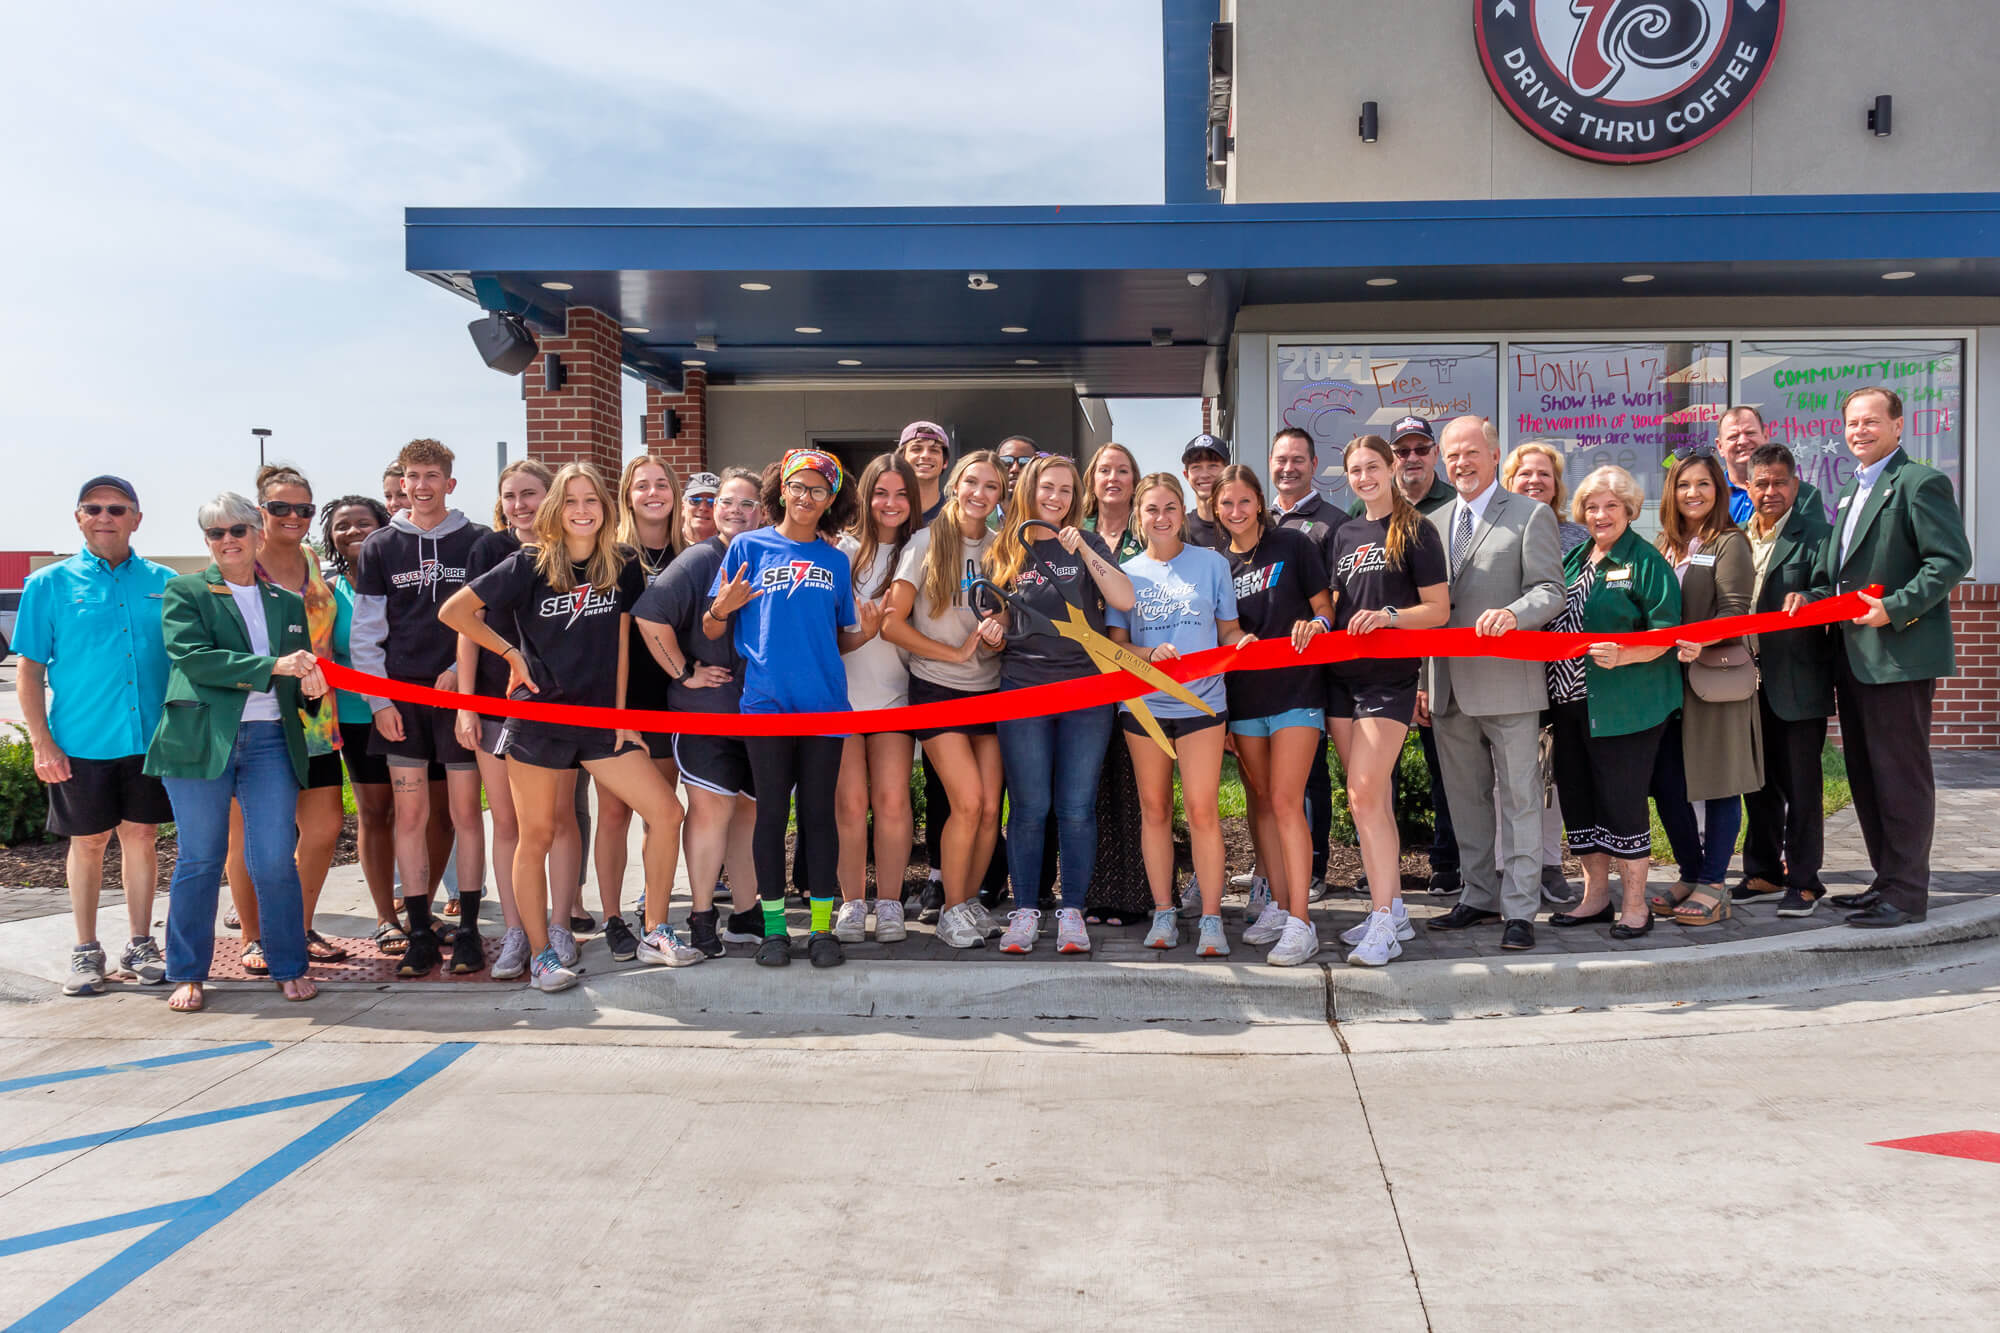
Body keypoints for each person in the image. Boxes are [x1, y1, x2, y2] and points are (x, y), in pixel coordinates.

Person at [442, 463, 692, 990]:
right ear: (557, 508)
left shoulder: (621, 563)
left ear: (606, 508)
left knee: (666, 813)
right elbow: (456, 613)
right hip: (539, 720)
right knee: (536, 834)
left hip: (600, 723)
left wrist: (622, 713)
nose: (582, 510)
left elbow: (623, 640)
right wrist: (510, 655)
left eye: (592, 501)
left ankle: (655, 931)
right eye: (571, 500)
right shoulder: (527, 562)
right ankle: (540, 955)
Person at [1793, 387, 1971, 928]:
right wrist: (1810, 597)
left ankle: (1908, 893)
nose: (1859, 432)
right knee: (1866, 774)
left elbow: (1951, 560)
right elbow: (1838, 573)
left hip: (1897, 655)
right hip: (1853, 654)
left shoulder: (1919, 482)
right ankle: (1884, 881)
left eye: (1872, 422)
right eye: (1851, 424)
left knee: (1900, 775)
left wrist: (1895, 608)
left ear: (1898, 426)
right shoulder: (1852, 490)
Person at [149, 493, 328, 1011]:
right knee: (200, 859)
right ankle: (187, 970)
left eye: (236, 531)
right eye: (214, 534)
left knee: (274, 860)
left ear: (257, 534)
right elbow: (193, 659)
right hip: (200, 741)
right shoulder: (185, 592)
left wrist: (309, 687)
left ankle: (289, 965)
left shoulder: (288, 603)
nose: (227, 541)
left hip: (272, 741)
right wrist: (276, 667)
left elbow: (294, 676)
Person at [704, 449, 882, 968]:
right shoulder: (747, 546)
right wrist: (723, 606)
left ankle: (822, 930)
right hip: (766, 705)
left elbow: (837, 640)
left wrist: (866, 634)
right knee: (770, 818)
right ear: (781, 490)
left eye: (818, 490)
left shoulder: (835, 560)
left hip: (825, 707)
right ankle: (776, 931)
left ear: (831, 499)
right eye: (797, 487)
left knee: (819, 817)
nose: (806, 498)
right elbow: (714, 627)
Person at [18, 475, 176, 995]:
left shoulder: (165, 582)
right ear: (78, 516)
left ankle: (139, 943)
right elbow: (30, 671)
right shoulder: (48, 585)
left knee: (141, 837)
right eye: (94, 508)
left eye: (117, 508)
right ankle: (86, 951)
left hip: (149, 739)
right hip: (80, 741)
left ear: (136, 517)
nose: (105, 517)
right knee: (87, 842)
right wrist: (42, 742)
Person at [348, 437, 492, 978]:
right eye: (414, 476)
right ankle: (420, 934)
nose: (424, 485)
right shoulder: (381, 546)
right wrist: (378, 699)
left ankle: (473, 931)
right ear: (402, 483)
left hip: (460, 701)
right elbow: (366, 636)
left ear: (450, 483)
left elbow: (490, 619)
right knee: (410, 813)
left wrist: (462, 676)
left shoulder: (478, 542)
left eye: (434, 475)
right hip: (401, 703)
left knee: (463, 814)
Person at [1419, 418, 1563, 953]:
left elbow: (1551, 590)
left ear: (1494, 454)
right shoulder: (1430, 524)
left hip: (1508, 681)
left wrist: (1514, 613)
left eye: (1471, 453)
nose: (1461, 463)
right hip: (1448, 683)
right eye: (1451, 455)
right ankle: (1479, 895)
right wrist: (1422, 682)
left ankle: (1520, 909)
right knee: (1465, 800)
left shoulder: (1530, 515)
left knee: (1521, 801)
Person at [986, 454, 1134, 955]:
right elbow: (1001, 623)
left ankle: (1072, 912)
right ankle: (1025, 910)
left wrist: (1087, 553)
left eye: (1067, 491)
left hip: (1086, 691)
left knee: (1075, 808)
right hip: (1023, 688)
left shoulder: (1087, 542)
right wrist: (991, 633)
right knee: (1029, 808)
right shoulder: (1004, 549)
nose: (1056, 497)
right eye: (1047, 487)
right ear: (1029, 490)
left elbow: (1124, 598)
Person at [1106, 473, 1249, 957]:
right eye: (1152, 509)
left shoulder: (1211, 565)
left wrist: (1241, 644)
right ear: (1138, 515)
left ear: (1182, 510)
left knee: (1203, 809)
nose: (1162, 517)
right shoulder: (1125, 571)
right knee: (1155, 810)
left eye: (1170, 508)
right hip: (1144, 707)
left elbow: (1227, 630)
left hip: (1203, 703)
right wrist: (1148, 654)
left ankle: (1212, 917)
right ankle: (1164, 911)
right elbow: (1117, 646)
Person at [1323, 437, 1451, 967]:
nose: (1363, 477)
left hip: (1389, 682)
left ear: (1391, 467)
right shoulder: (1343, 533)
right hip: (1340, 682)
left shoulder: (1417, 530)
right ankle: (1393, 907)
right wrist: (1318, 621)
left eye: (1372, 467)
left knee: (1362, 795)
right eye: (1354, 470)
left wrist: (1391, 617)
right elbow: (1333, 602)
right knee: (1370, 803)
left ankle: (1381, 923)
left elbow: (1439, 610)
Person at [457, 460, 587, 977]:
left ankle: (558, 925)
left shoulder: (573, 549)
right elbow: (466, 626)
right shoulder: (490, 550)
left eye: (530, 494)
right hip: (496, 704)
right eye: (509, 496)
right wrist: (466, 702)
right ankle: (517, 930)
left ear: (551, 496)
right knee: (509, 823)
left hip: (560, 708)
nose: (520, 506)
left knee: (559, 821)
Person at [634, 467, 769, 958]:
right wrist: (683, 671)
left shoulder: (769, 556)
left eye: (746, 503)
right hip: (704, 713)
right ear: (713, 510)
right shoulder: (698, 559)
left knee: (749, 812)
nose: (734, 511)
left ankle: (746, 912)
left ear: (762, 511)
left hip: (761, 713)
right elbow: (649, 617)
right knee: (712, 810)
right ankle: (701, 916)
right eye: (726, 502)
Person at [1545, 466, 1682, 941]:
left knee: (1622, 804)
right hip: (1569, 702)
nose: (1599, 514)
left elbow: (1668, 633)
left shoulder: (1644, 561)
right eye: (1591, 506)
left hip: (1626, 705)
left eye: (1610, 506)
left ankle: (1636, 904)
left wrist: (1626, 654)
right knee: (1580, 801)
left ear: (1629, 510)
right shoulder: (1575, 556)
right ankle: (1595, 898)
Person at [221, 465, 348, 971]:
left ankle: (294, 928)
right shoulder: (241, 564)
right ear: (260, 513)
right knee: (250, 836)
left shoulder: (314, 559)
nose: (293, 517)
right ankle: (254, 936)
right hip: (255, 720)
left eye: (304, 509)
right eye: (281, 508)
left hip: (315, 719)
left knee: (323, 828)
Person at [882, 451, 1009, 950]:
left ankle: (969, 901)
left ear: (1001, 496)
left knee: (989, 811)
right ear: (955, 484)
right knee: (968, 800)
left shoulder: (1002, 549)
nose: (980, 493)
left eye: (992, 486)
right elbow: (892, 623)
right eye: (972, 482)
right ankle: (952, 909)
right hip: (937, 689)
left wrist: (996, 638)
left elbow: (1001, 623)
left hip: (991, 690)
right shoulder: (924, 542)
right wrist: (953, 653)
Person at [1212, 466, 1331, 966]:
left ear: (1259, 502)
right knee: (1261, 802)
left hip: (1297, 691)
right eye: (1226, 505)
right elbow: (1222, 632)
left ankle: (1303, 922)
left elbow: (1326, 608)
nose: (1236, 512)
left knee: (1286, 799)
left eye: (1244, 502)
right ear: (1216, 510)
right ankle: (1280, 906)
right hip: (1245, 700)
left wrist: (1317, 623)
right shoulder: (1218, 565)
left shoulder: (1294, 545)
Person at [1644, 450, 1762, 927]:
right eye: (1683, 484)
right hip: (1666, 682)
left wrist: (1700, 638)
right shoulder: (1664, 544)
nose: (1693, 493)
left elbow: (1736, 610)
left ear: (1720, 491)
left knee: (1718, 783)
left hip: (1714, 680)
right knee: (1668, 784)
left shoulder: (1730, 542)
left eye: (1704, 484)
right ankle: (1690, 873)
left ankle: (1715, 882)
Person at [1735, 443, 1836, 918]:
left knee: (1801, 785)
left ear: (1795, 485)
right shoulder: (1736, 537)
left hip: (1797, 681)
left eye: (1779, 482)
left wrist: (1811, 597)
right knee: (1758, 783)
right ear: (1747, 486)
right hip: (1745, 682)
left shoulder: (1816, 534)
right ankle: (1762, 871)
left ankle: (1805, 880)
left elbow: (1832, 588)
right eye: (1762, 483)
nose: (1770, 491)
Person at [592, 455, 686, 943]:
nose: (653, 493)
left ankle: (655, 912)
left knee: (660, 813)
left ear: (674, 492)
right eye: (641, 485)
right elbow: (610, 638)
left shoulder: (690, 553)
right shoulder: (613, 557)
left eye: (661, 484)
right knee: (613, 814)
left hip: (671, 701)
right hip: (622, 704)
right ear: (627, 495)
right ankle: (612, 919)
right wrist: (618, 711)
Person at [831, 454, 920, 944]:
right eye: (881, 493)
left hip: (896, 696)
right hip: (841, 698)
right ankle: (851, 903)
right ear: (865, 497)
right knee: (849, 803)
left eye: (901, 494)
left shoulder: (921, 549)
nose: (891, 503)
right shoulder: (838, 553)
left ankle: (889, 903)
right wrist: (862, 635)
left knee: (890, 800)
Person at [1499, 441, 1586, 901]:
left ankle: (1549, 863)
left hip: (1562, 673)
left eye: (1544, 475)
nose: (1534, 481)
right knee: (1506, 776)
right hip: (1505, 671)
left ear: (1557, 486)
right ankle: (1502, 868)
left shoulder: (1577, 537)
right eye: (1524, 474)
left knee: (1549, 775)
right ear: (1509, 482)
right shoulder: (1495, 531)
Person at [320, 494, 405, 952]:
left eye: (363, 523)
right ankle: (386, 915)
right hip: (356, 717)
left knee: (421, 813)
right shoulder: (327, 591)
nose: (352, 531)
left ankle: (420, 906)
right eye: (342, 525)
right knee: (376, 814)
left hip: (412, 711)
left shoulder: (405, 576)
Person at [1267, 426, 1348, 900]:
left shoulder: (1332, 522)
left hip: (1309, 673)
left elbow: (1336, 593)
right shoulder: (1259, 519)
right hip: (1261, 675)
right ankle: (1273, 869)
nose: (1288, 467)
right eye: (1281, 459)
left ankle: (1314, 870)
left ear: (1314, 466)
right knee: (1270, 785)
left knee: (1311, 776)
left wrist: (1318, 626)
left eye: (1298, 459)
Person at [1077, 442, 1152, 924]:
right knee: (1089, 786)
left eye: (1123, 470)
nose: (1113, 478)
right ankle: (1091, 892)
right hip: (1080, 673)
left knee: (1136, 787)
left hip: (1139, 670)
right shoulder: (1074, 534)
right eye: (1104, 470)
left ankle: (1135, 894)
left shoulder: (1151, 533)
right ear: (1092, 479)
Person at [1715, 406, 1824, 526]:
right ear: (1720, 446)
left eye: (1750, 433)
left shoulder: (1804, 497)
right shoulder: (1709, 495)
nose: (1743, 441)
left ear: (1766, 436)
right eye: (1733, 437)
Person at [1181, 434, 1230, 550]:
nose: (1204, 475)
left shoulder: (1242, 523)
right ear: (1186, 475)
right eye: (1196, 467)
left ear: (1227, 471)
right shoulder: (1180, 529)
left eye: (1213, 466)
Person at [899, 420, 951, 524]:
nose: (925, 455)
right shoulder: (888, 513)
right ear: (901, 459)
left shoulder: (956, 516)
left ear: (945, 462)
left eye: (934, 450)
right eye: (917, 449)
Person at [994, 435, 1041, 524]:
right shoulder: (979, 515)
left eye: (1025, 462)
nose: (1015, 469)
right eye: (1006, 461)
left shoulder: (1048, 518)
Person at [682, 471, 720, 547]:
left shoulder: (731, 550)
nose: (703, 508)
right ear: (682, 507)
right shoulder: (665, 547)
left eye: (712, 502)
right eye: (695, 500)